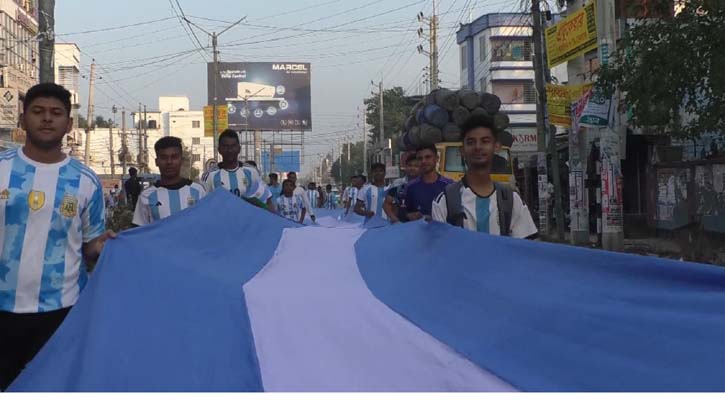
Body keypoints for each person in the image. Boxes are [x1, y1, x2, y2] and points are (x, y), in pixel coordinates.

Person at [0, 83, 115, 390]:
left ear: (69, 124)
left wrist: (103, 247)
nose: (47, 119)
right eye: (38, 112)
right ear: (23, 119)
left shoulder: (87, 181)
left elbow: (89, 247)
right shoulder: (1, 169)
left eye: (56, 113)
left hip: (61, 313)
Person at [432, 114, 538, 238]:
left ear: (496, 146)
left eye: (485, 141)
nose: (478, 147)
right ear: (462, 150)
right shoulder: (445, 201)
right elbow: (439, 251)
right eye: (471, 142)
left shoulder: (512, 200)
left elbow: (525, 250)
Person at [133, 137, 207, 226]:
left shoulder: (198, 191)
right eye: (164, 158)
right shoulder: (146, 196)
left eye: (174, 157)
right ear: (157, 162)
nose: (169, 162)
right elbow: (138, 233)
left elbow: (207, 225)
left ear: (181, 160)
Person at [203, 129, 275, 212]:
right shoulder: (209, 175)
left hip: (247, 223)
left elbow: (267, 200)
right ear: (219, 149)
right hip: (220, 223)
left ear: (239, 148)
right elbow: (202, 205)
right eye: (225, 146)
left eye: (233, 146)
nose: (230, 150)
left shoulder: (251, 171)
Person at [405, 144, 454, 221]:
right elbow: (406, 212)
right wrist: (410, 215)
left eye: (428, 157)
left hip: (445, 232)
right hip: (419, 232)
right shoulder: (410, 187)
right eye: (420, 158)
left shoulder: (450, 186)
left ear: (437, 159)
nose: (423, 161)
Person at [384, 155, 420, 224]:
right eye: (410, 165)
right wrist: (394, 218)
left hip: (419, 225)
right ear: (405, 167)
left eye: (416, 166)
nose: (412, 168)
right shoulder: (397, 183)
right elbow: (386, 204)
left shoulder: (424, 184)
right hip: (399, 225)